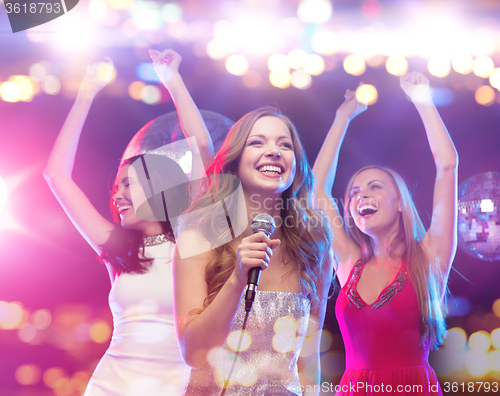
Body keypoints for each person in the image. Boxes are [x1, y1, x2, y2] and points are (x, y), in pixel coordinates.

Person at [43, 49, 214, 396]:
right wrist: (86, 92)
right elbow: (56, 175)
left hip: (176, 387)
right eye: (115, 187)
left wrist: (172, 80)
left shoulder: (192, 241)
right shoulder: (120, 250)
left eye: (128, 185)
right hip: (110, 386)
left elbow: (203, 151)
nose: (117, 196)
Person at [312, 72, 458, 395]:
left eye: (375, 187)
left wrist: (422, 99)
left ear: (401, 203)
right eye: (354, 193)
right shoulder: (350, 264)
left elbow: (447, 166)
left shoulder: (429, 258)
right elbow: (317, 188)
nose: (361, 196)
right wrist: (341, 119)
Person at [173, 107, 334, 395]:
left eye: (285, 145)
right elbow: (194, 354)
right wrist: (237, 279)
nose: (274, 151)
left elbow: (308, 360)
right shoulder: (197, 238)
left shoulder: (315, 243)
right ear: (234, 162)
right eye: (257, 142)